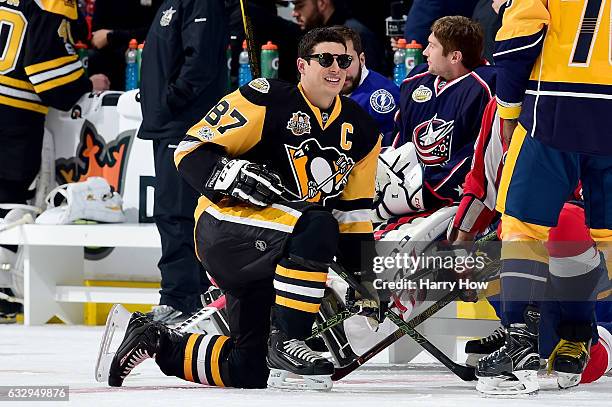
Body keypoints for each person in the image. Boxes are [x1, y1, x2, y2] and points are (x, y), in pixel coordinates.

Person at [104, 27, 382, 390]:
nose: (335, 67)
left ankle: (158, 341)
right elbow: (188, 150)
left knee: (247, 368)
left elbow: (355, 213)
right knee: (317, 224)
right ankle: (289, 341)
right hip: (228, 230)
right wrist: (231, 172)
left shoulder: (362, 129)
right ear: (301, 65)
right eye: (324, 59)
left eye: (343, 60)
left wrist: (366, 279)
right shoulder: (265, 97)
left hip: (284, 249)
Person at [475, 0, 612, 395]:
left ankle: (518, 341)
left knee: (523, 226)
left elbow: (521, 36)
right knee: (604, 236)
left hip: (557, 109)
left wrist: (509, 106)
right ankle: (577, 335)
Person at [0, 0, 109, 321]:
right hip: (12, 116)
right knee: (9, 202)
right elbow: (50, 77)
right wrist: (86, 83)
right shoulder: (48, 3)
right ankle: (2, 288)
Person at [137, 0, 228, 325]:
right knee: (172, 213)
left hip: (185, 123)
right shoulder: (172, 3)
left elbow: (199, 61)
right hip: (170, 122)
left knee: (178, 213)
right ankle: (184, 295)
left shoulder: (200, 2)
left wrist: (171, 99)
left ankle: (183, 298)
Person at [376, 16, 495, 222]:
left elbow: (475, 156)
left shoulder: (486, 88)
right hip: (404, 190)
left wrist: (427, 191)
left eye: (432, 46)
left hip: (451, 198)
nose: (424, 52)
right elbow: (399, 137)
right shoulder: (416, 79)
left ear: (455, 56)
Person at [330, 26, 399, 145]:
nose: (339, 70)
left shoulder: (380, 97)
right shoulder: (325, 89)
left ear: (361, 60)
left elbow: (389, 154)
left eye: (346, 61)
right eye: (330, 62)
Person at [289, 0, 387, 73]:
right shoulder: (312, 35)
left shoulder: (355, 34)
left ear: (322, 3)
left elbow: (370, 81)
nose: (294, 13)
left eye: (300, 6)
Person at [89, 0, 163, 90]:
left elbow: (158, 29)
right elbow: (97, 37)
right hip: (110, 57)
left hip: (143, 52)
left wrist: (114, 36)